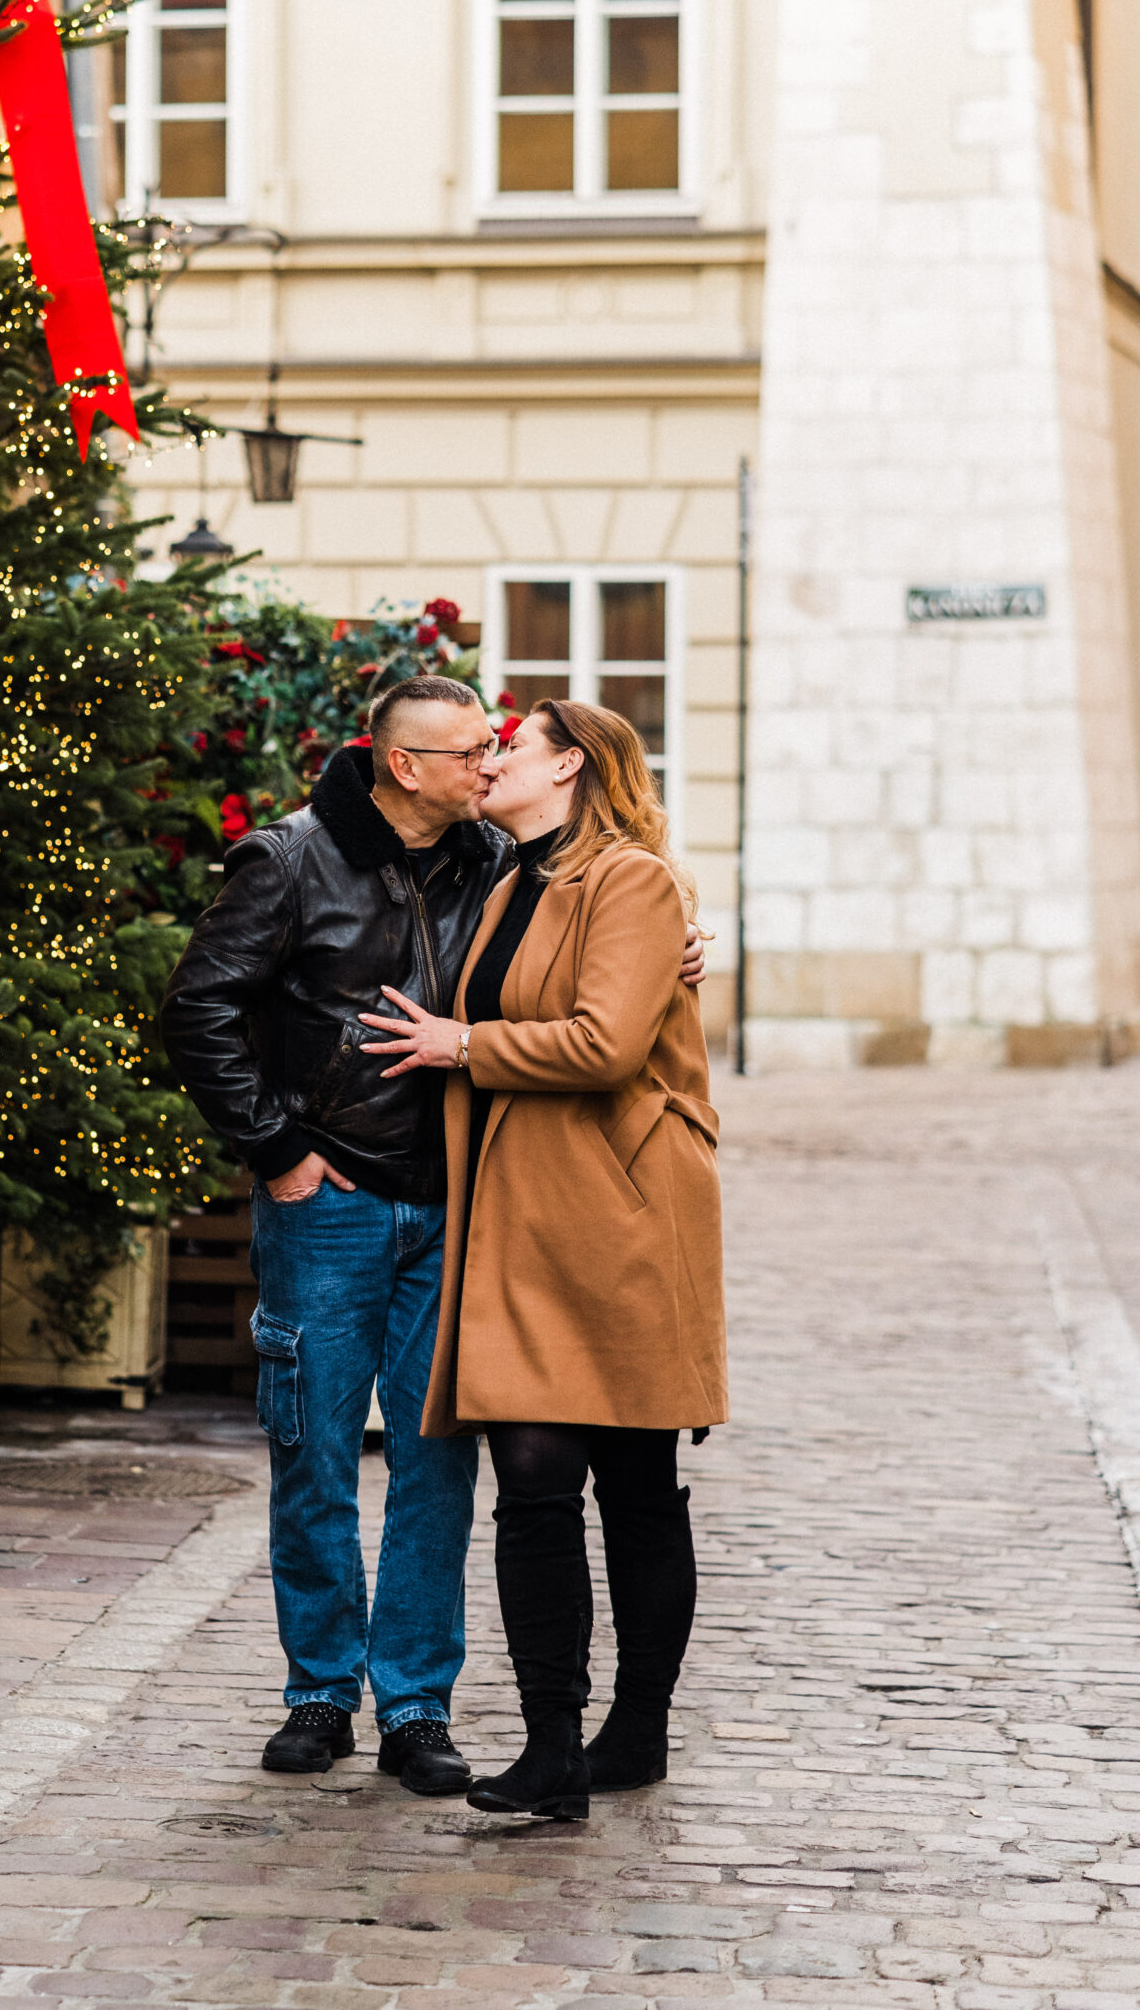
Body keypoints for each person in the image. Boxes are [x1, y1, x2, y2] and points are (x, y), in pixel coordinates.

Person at [161, 676, 707, 1796]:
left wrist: (680, 950)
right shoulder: (290, 859)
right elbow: (197, 1007)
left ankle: (416, 1703)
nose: (489, 762)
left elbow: (599, 935)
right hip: (331, 1195)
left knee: (436, 1461)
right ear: (404, 765)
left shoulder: (491, 864)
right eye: (470, 750)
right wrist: (278, 1149)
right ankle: (321, 1691)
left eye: (502, 747)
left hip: (459, 1206)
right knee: (312, 1447)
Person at [362, 700, 726, 1821]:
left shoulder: (633, 879)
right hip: (522, 1218)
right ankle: (551, 1748)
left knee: (636, 1488)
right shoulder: (513, 876)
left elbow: (609, 1042)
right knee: (529, 1481)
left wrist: (459, 1043)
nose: (491, 760)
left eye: (509, 746)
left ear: (569, 763)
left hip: (620, 1215)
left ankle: (638, 1729)